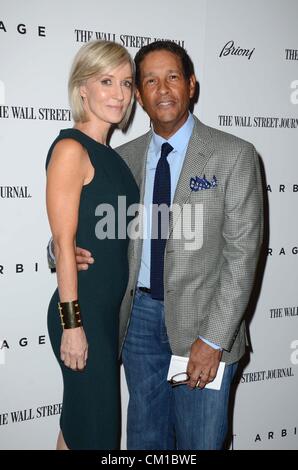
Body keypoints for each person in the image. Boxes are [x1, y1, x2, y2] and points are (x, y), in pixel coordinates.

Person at [51, 40, 263, 450]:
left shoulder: (234, 155)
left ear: (192, 85)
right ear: (141, 97)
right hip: (138, 325)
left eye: (172, 77)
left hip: (205, 326)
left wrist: (214, 340)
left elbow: (242, 257)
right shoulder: (123, 158)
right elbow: (83, 224)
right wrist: (59, 250)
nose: (162, 89)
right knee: (146, 441)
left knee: (200, 442)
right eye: (149, 80)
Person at [45, 39, 139, 450]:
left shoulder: (112, 156)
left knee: (80, 429)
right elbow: (64, 245)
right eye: (107, 81)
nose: (120, 94)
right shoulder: (71, 149)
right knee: (99, 436)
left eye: (127, 83)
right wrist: (72, 326)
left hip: (107, 317)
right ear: (83, 88)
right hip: (79, 315)